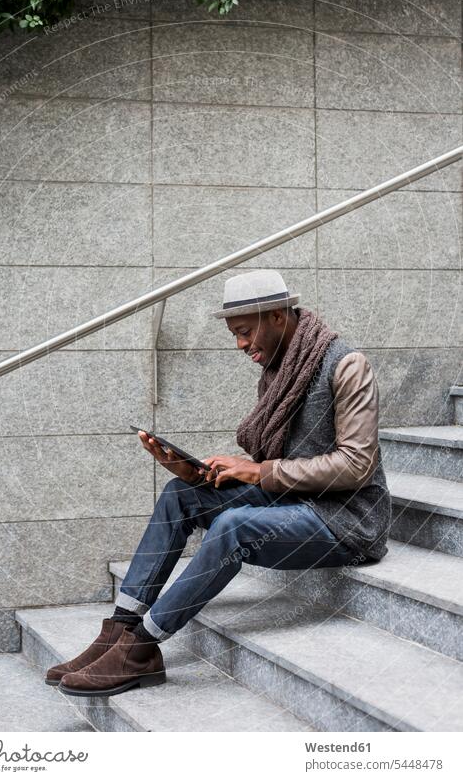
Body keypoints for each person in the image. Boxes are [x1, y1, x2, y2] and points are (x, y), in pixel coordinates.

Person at [47, 270, 391, 697]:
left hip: (346, 521)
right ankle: (120, 628)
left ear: (278, 317)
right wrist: (199, 474)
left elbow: (356, 464)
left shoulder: (346, 365)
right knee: (181, 496)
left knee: (234, 526)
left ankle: (142, 648)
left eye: (245, 332)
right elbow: (278, 461)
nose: (241, 345)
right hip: (297, 499)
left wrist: (258, 472)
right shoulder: (280, 370)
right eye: (236, 334)